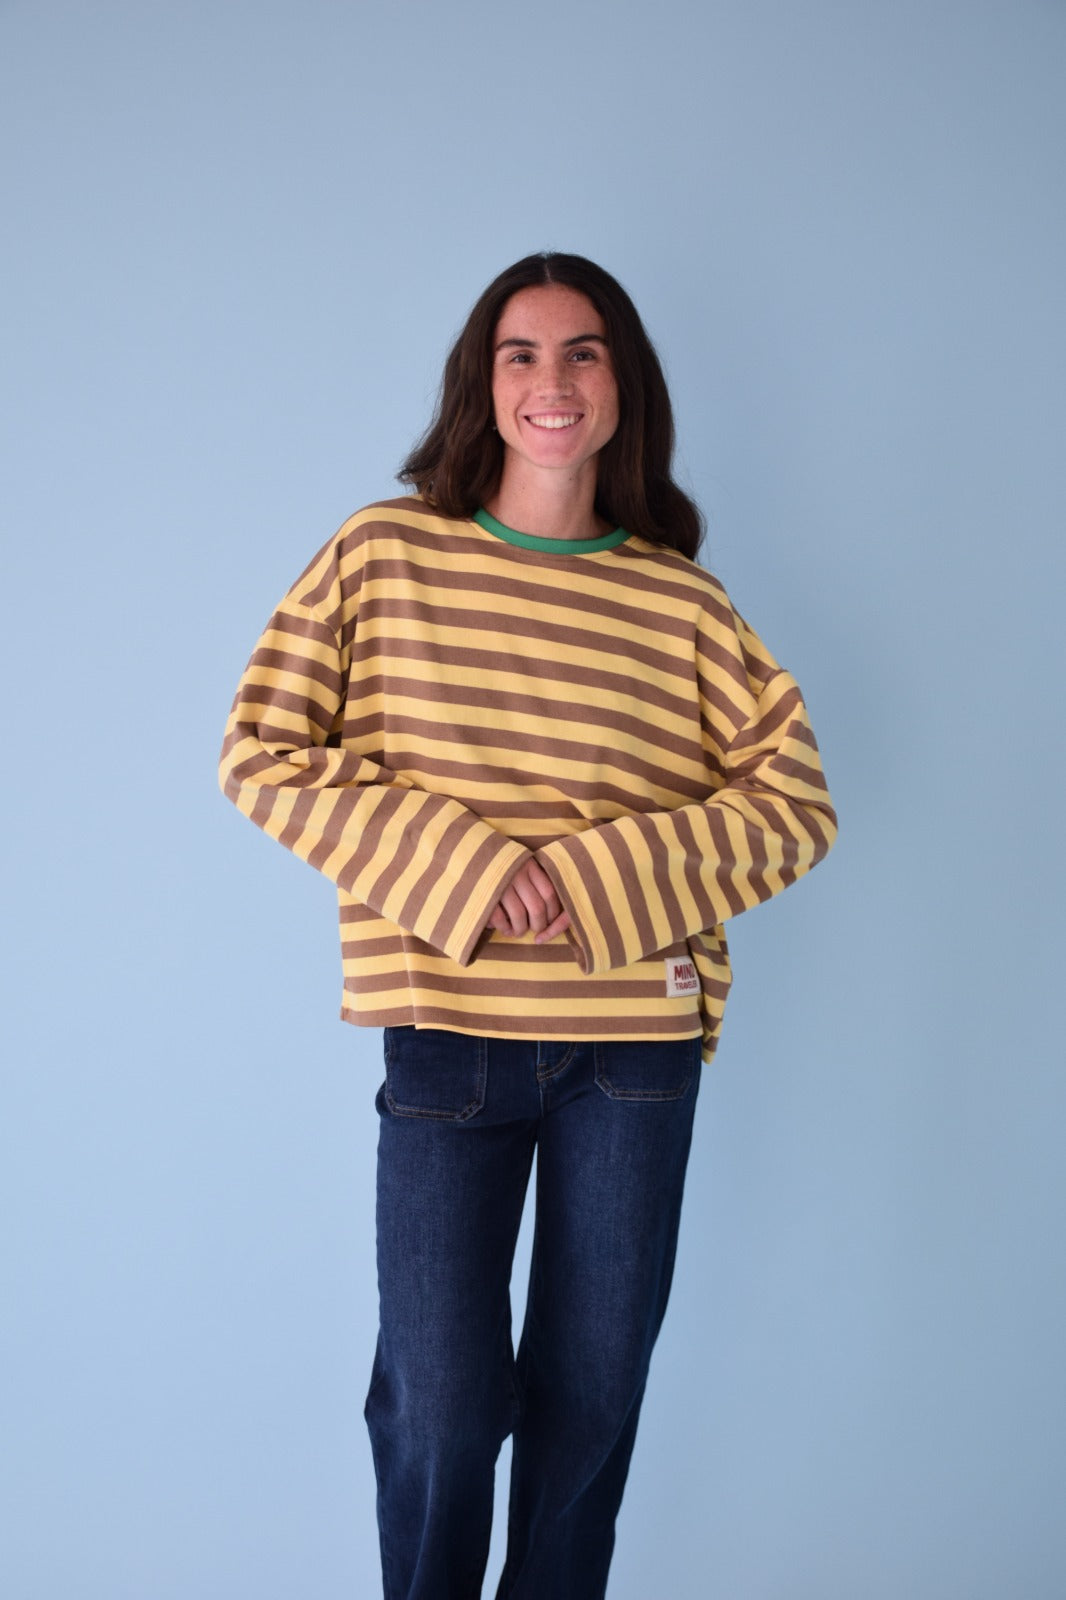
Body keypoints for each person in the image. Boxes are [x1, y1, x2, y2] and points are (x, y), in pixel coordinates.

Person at [218, 251, 837, 1599]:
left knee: (589, 1406)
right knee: (442, 1409)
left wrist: (597, 880)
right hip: (449, 1037)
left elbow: (794, 806)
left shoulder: (680, 601)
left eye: (583, 351)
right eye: (521, 353)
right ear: (481, 385)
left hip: (635, 1054)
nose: (552, 381)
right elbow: (260, 750)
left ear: (624, 386)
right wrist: (466, 865)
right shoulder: (385, 554)